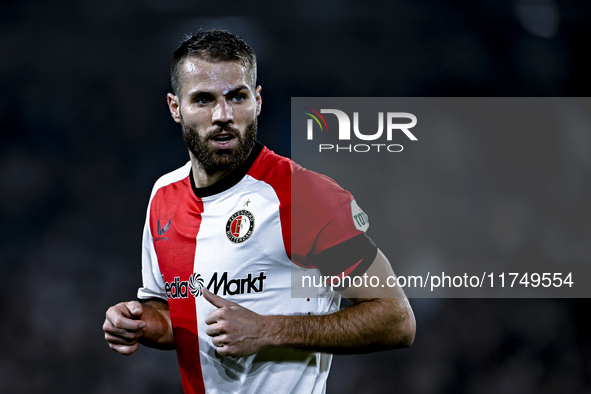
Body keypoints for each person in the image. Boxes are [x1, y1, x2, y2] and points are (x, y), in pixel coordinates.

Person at [103, 29, 415, 394]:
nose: (223, 114)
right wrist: (140, 323)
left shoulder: (304, 195)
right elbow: (176, 316)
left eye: (237, 97)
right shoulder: (163, 196)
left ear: (258, 101)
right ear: (175, 108)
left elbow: (396, 319)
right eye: (203, 100)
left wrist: (268, 330)